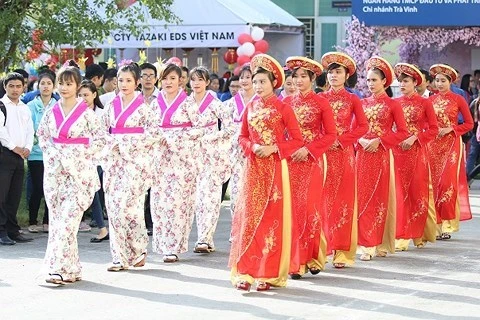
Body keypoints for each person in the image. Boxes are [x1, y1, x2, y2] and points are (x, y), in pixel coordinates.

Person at [229, 54, 303, 292]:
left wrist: (275, 148)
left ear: (274, 83)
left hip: (275, 169)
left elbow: (297, 140)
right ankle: (246, 272)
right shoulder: (250, 106)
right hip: (253, 169)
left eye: (262, 82)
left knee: (272, 220)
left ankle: (268, 274)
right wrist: (253, 147)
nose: (258, 86)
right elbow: (242, 137)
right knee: (250, 219)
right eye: (255, 81)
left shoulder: (284, 108)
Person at [37, 64, 105, 284]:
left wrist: (78, 153)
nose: (64, 88)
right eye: (62, 83)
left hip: (78, 174)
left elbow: (101, 140)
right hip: (56, 174)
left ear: (78, 86)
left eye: (69, 84)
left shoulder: (87, 113)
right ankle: (72, 268)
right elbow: (43, 137)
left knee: (67, 222)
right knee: (58, 223)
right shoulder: (52, 111)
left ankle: (56, 269)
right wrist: (55, 152)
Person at [101, 63, 160, 271]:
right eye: (120, 80)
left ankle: (138, 249)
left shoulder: (146, 108)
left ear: (137, 82)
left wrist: (127, 143)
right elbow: (101, 134)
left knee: (132, 209)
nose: (124, 84)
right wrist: (112, 145)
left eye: (128, 80)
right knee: (114, 208)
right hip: (114, 163)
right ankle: (119, 256)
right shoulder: (109, 106)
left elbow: (154, 134)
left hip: (136, 164)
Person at [283, 56, 336, 279]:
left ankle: (313, 256)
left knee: (310, 208)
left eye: (304, 76)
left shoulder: (321, 103)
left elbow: (331, 134)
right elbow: (280, 133)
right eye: (295, 77)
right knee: (291, 209)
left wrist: (310, 149)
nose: (299, 81)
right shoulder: (285, 103)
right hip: (290, 162)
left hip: (312, 161)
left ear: (313, 78)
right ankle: (295, 260)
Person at [357, 56, 409, 261]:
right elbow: (355, 129)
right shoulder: (361, 103)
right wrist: (360, 140)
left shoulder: (393, 105)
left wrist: (381, 140)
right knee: (362, 198)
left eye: (374, 80)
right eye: (368, 80)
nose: (370, 84)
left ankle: (379, 242)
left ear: (384, 82)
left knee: (380, 197)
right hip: (362, 154)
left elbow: (402, 132)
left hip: (381, 155)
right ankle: (366, 243)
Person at [150, 63, 203, 263]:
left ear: (180, 80)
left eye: (173, 78)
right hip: (160, 158)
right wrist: (157, 137)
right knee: (160, 203)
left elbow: (200, 129)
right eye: (165, 78)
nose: (168, 82)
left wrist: (175, 137)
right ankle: (163, 244)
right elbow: (149, 129)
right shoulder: (155, 103)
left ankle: (174, 246)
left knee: (178, 203)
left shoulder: (188, 103)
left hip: (182, 160)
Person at [320, 52, 369, 268]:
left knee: (343, 202)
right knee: (322, 201)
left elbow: (363, 126)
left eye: (338, 72)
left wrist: (341, 140)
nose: (333, 76)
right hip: (322, 155)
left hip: (344, 154)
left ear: (346, 75)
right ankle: (323, 249)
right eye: (331, 72)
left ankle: (342, 253)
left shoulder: (353, 99)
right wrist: (323, 141)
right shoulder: (319, 99)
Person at [392, 63, 439, 251]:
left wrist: (415, 138)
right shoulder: (395, 103)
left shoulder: (425, 103)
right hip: (398, 152)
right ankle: (402, 234)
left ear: (414, 83)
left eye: (406, 81)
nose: (402, 85)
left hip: (417, 151)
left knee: (417, 192)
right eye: (400, 81)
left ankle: (418, 233)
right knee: (400, 192)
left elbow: (434, 129)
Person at [189, 67, 234, 253]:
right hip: (191, 154)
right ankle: (203, 237)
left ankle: (204, 238)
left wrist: (213, 136)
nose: (196, 83)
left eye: (200, 79)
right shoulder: (185, 103)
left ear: (207, 82)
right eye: (193, 79)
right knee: (195, 198)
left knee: (210, 198)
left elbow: (230, 128)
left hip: (211, 154)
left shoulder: (215, 103)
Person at [427, 64, 473, 240]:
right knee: (434, 183)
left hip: (451, 144)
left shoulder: (458, 99)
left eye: (443, 81)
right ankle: (435, 224)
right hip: (432, 146)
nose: (439, 84)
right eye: (437, 80)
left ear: (450, 82)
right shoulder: (430, 101)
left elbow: (468, 124)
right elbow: (425, 124)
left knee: (447, 183)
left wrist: (451, 129)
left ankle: (447, 224)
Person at [0, 72, 34, 245]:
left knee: (14, 195)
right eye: (11, 86)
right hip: (5, 155)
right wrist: (15, 147)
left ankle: (13, 231)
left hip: (20, 156)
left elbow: (30, 130)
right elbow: (1, 132)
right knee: (2, 195)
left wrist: (28, 147)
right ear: (5, 87)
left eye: (18, 86)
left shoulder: (24, 107)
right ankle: (2, 231)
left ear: (23, 87)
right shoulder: (1, 106)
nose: (15, 89)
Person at [223, 65, 257, 218]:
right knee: (237, 191)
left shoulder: (260, 101)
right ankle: (236, 232)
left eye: (248, 77)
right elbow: (225, 124)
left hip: (255, 150)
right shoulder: (231, 103)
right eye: (242, 77)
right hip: (237, 151)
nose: (244, 80)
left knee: (254, 191)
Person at [77, 80, 109, 242]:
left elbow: (104, 138)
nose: (83, 98)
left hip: (97, 159)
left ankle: (102, 228)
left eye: (86, 95)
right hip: (77, 159)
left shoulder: (102, 114)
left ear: (95, 95)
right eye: (80, 95)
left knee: (94, 193)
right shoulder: (74, 113)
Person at [26, 72, 57, 234]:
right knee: (38, 187)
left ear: (54, 86)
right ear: (38, 86)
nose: (45, 86)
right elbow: (28, 130)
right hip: (35, 154)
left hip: (53, 154)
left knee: (51, 187)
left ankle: (47, 221)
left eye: (49, 84)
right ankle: (32, 220)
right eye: (43, 83)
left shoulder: (57, 106)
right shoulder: (31, 106)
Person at [140, 62, 160, 236]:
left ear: (156, 78)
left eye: (150, 76)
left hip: (156, 148)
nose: (147, 79)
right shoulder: (133, 98)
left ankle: (151, 220)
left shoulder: (161, 98)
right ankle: (140, 221)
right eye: (144, 76)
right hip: (137, 149)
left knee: (154, 186)